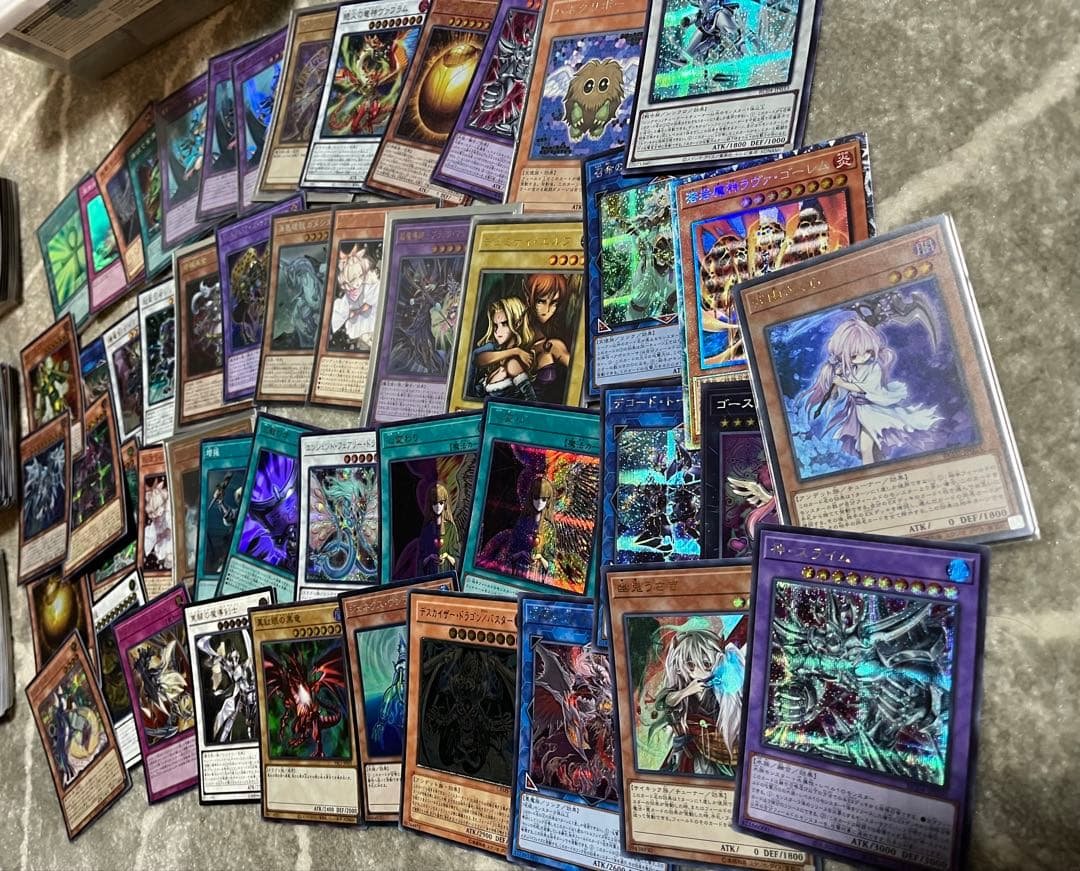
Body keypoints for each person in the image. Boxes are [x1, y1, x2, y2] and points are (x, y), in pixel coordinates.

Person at [800, 317, 941, 466]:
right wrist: (836, 387)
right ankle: (875, 467)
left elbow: (865, 388)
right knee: (867, 447)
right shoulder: (851, 370)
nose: (863, 357)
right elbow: (841, 393)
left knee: (866, 447)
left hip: (873, 411)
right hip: (858, 412)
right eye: (854, 355)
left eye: (867, 351)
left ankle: (873, 470)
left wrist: (843, 382)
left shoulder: (874, 368)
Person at [471, 296, 535, 398]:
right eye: (495, 325)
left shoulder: (513, 363)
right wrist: (515, 351)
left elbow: (531, 401)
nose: (497, 331)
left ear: (518, 323)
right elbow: (477, 359)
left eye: (504, 324)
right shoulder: (497, 351)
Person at [526, 273, 576, 402]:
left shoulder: (553, 345)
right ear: (529, 298)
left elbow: (581, 373)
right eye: (541, 301)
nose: (547, 310)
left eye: (554, 302)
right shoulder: (514, 335)